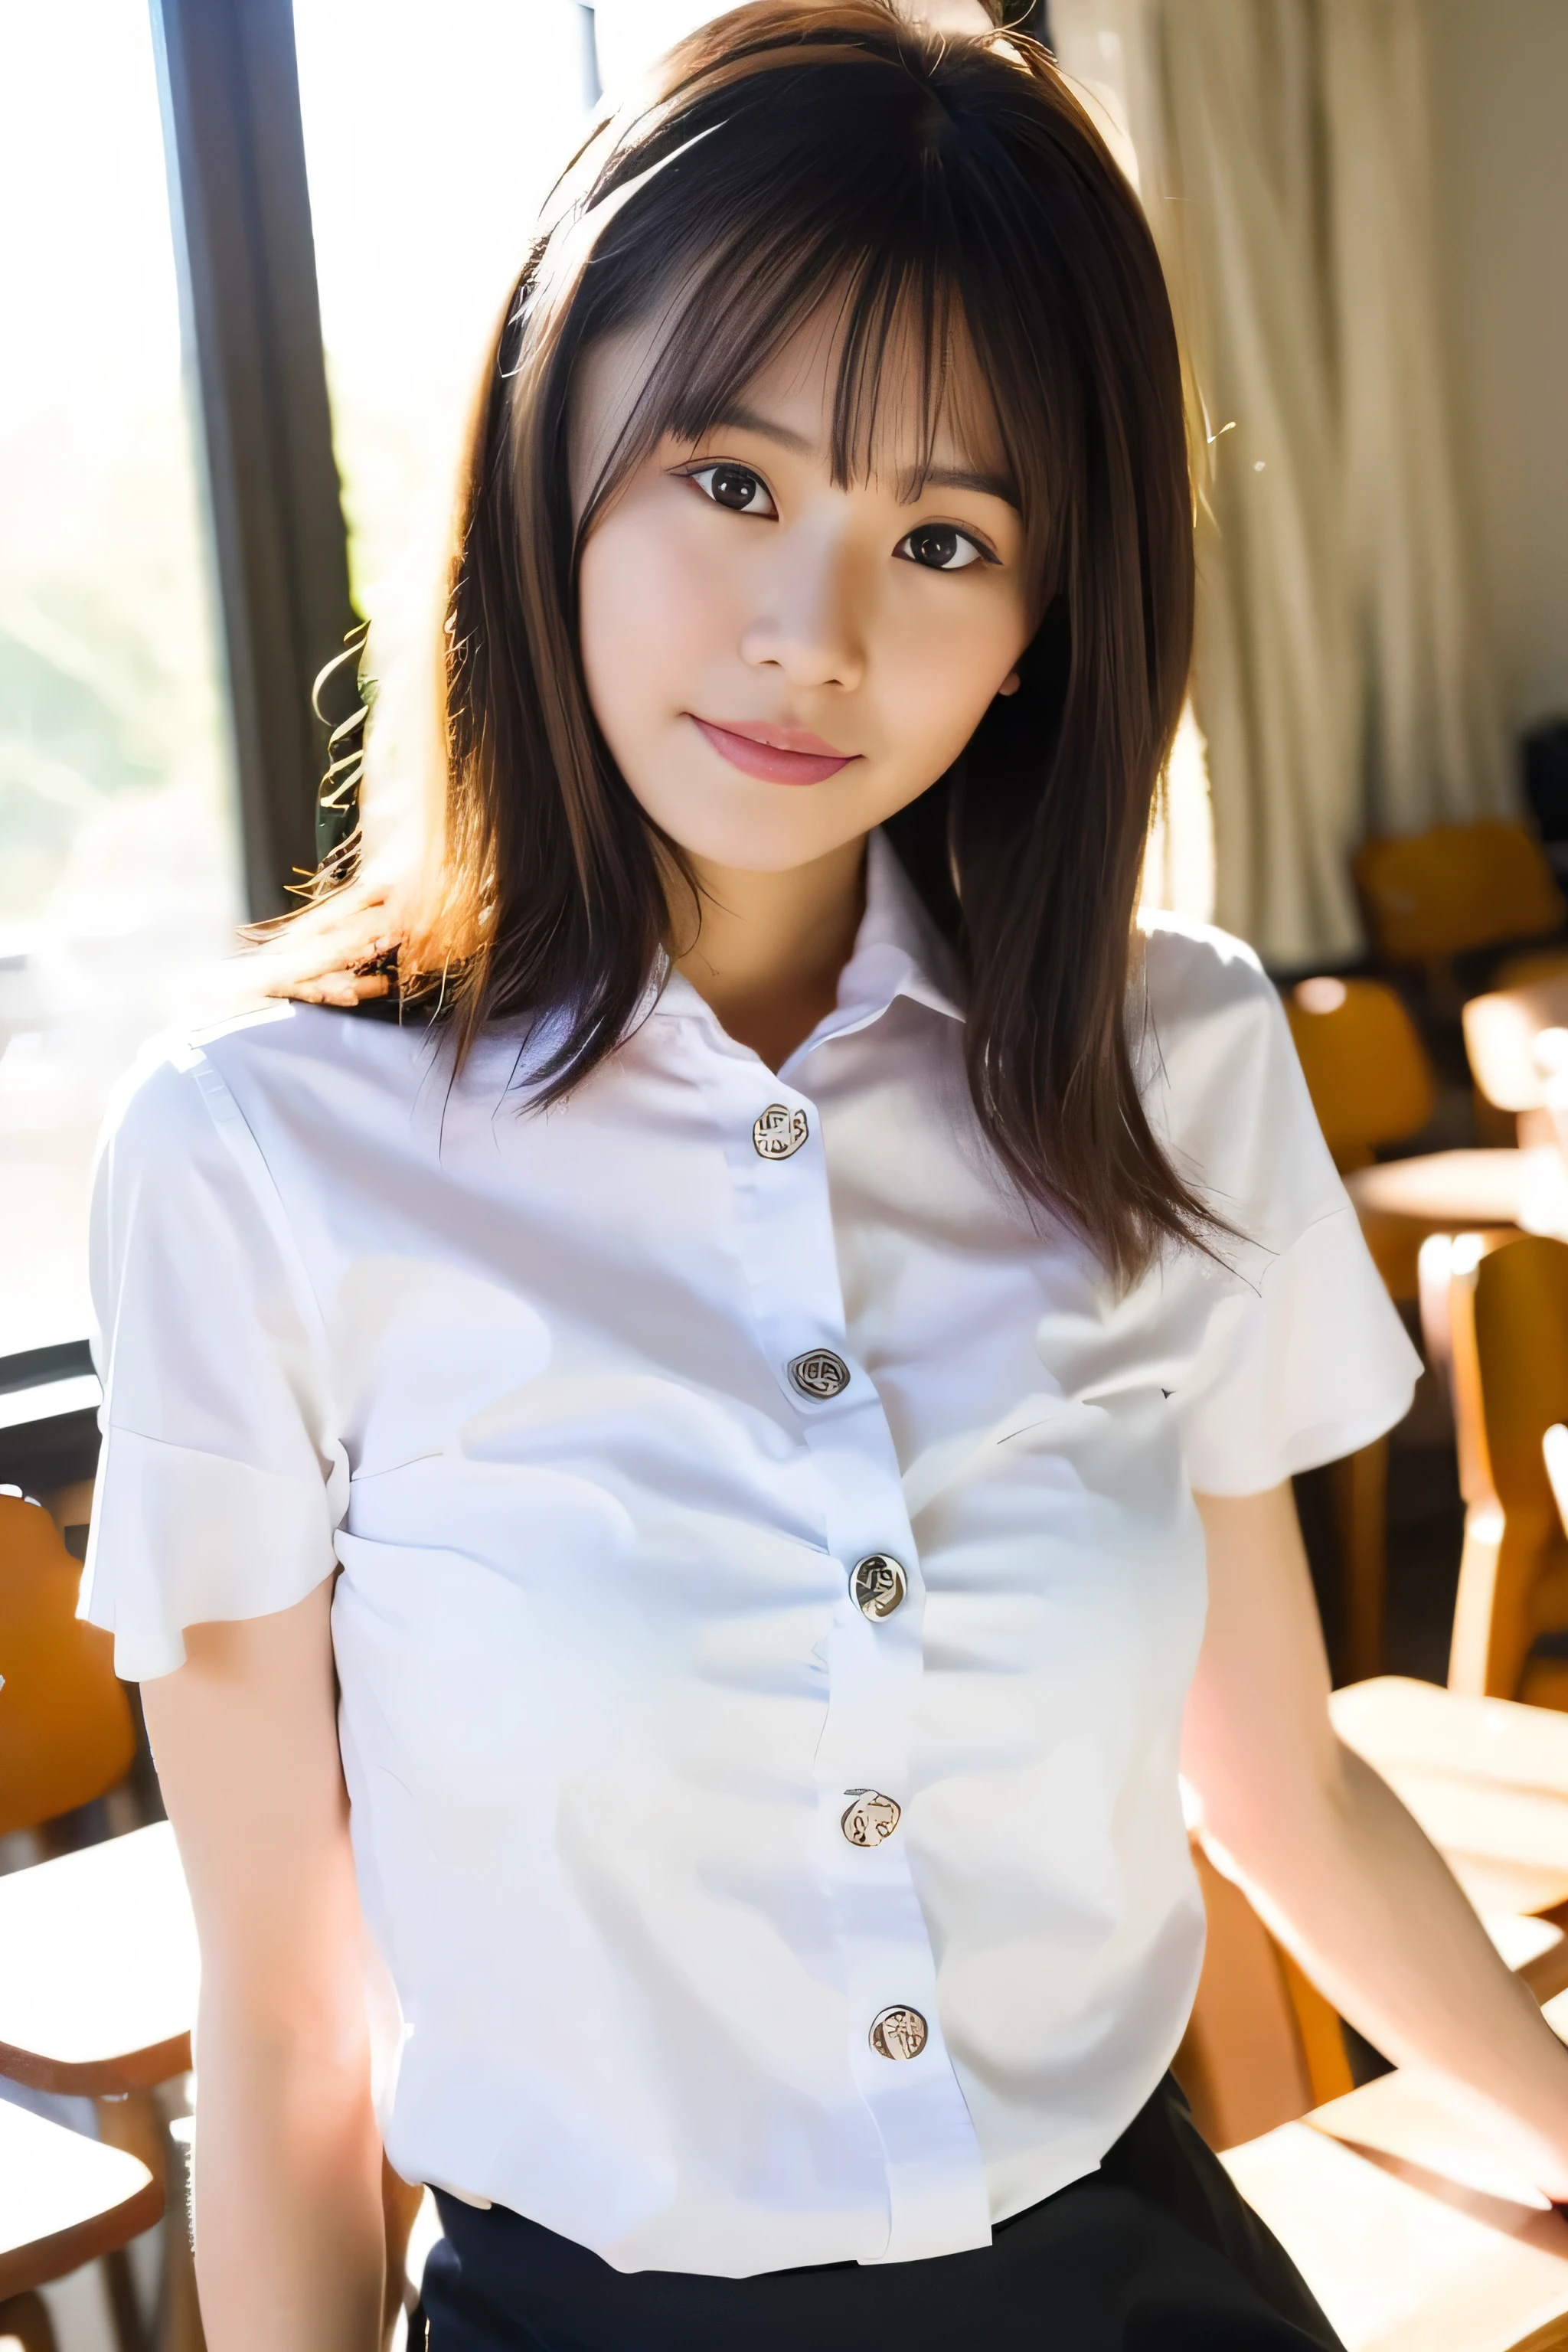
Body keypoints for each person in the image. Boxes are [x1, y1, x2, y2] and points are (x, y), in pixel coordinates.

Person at [80, 7, 1568, 2347]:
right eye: (734, 481)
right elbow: (281, 2043)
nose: (816, 639)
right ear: (550, 439)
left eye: (945, 536)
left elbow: (1275, 1781)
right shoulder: (262, 1158)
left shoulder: (1163, 1055)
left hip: (1133, 2289)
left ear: (1046, 623)